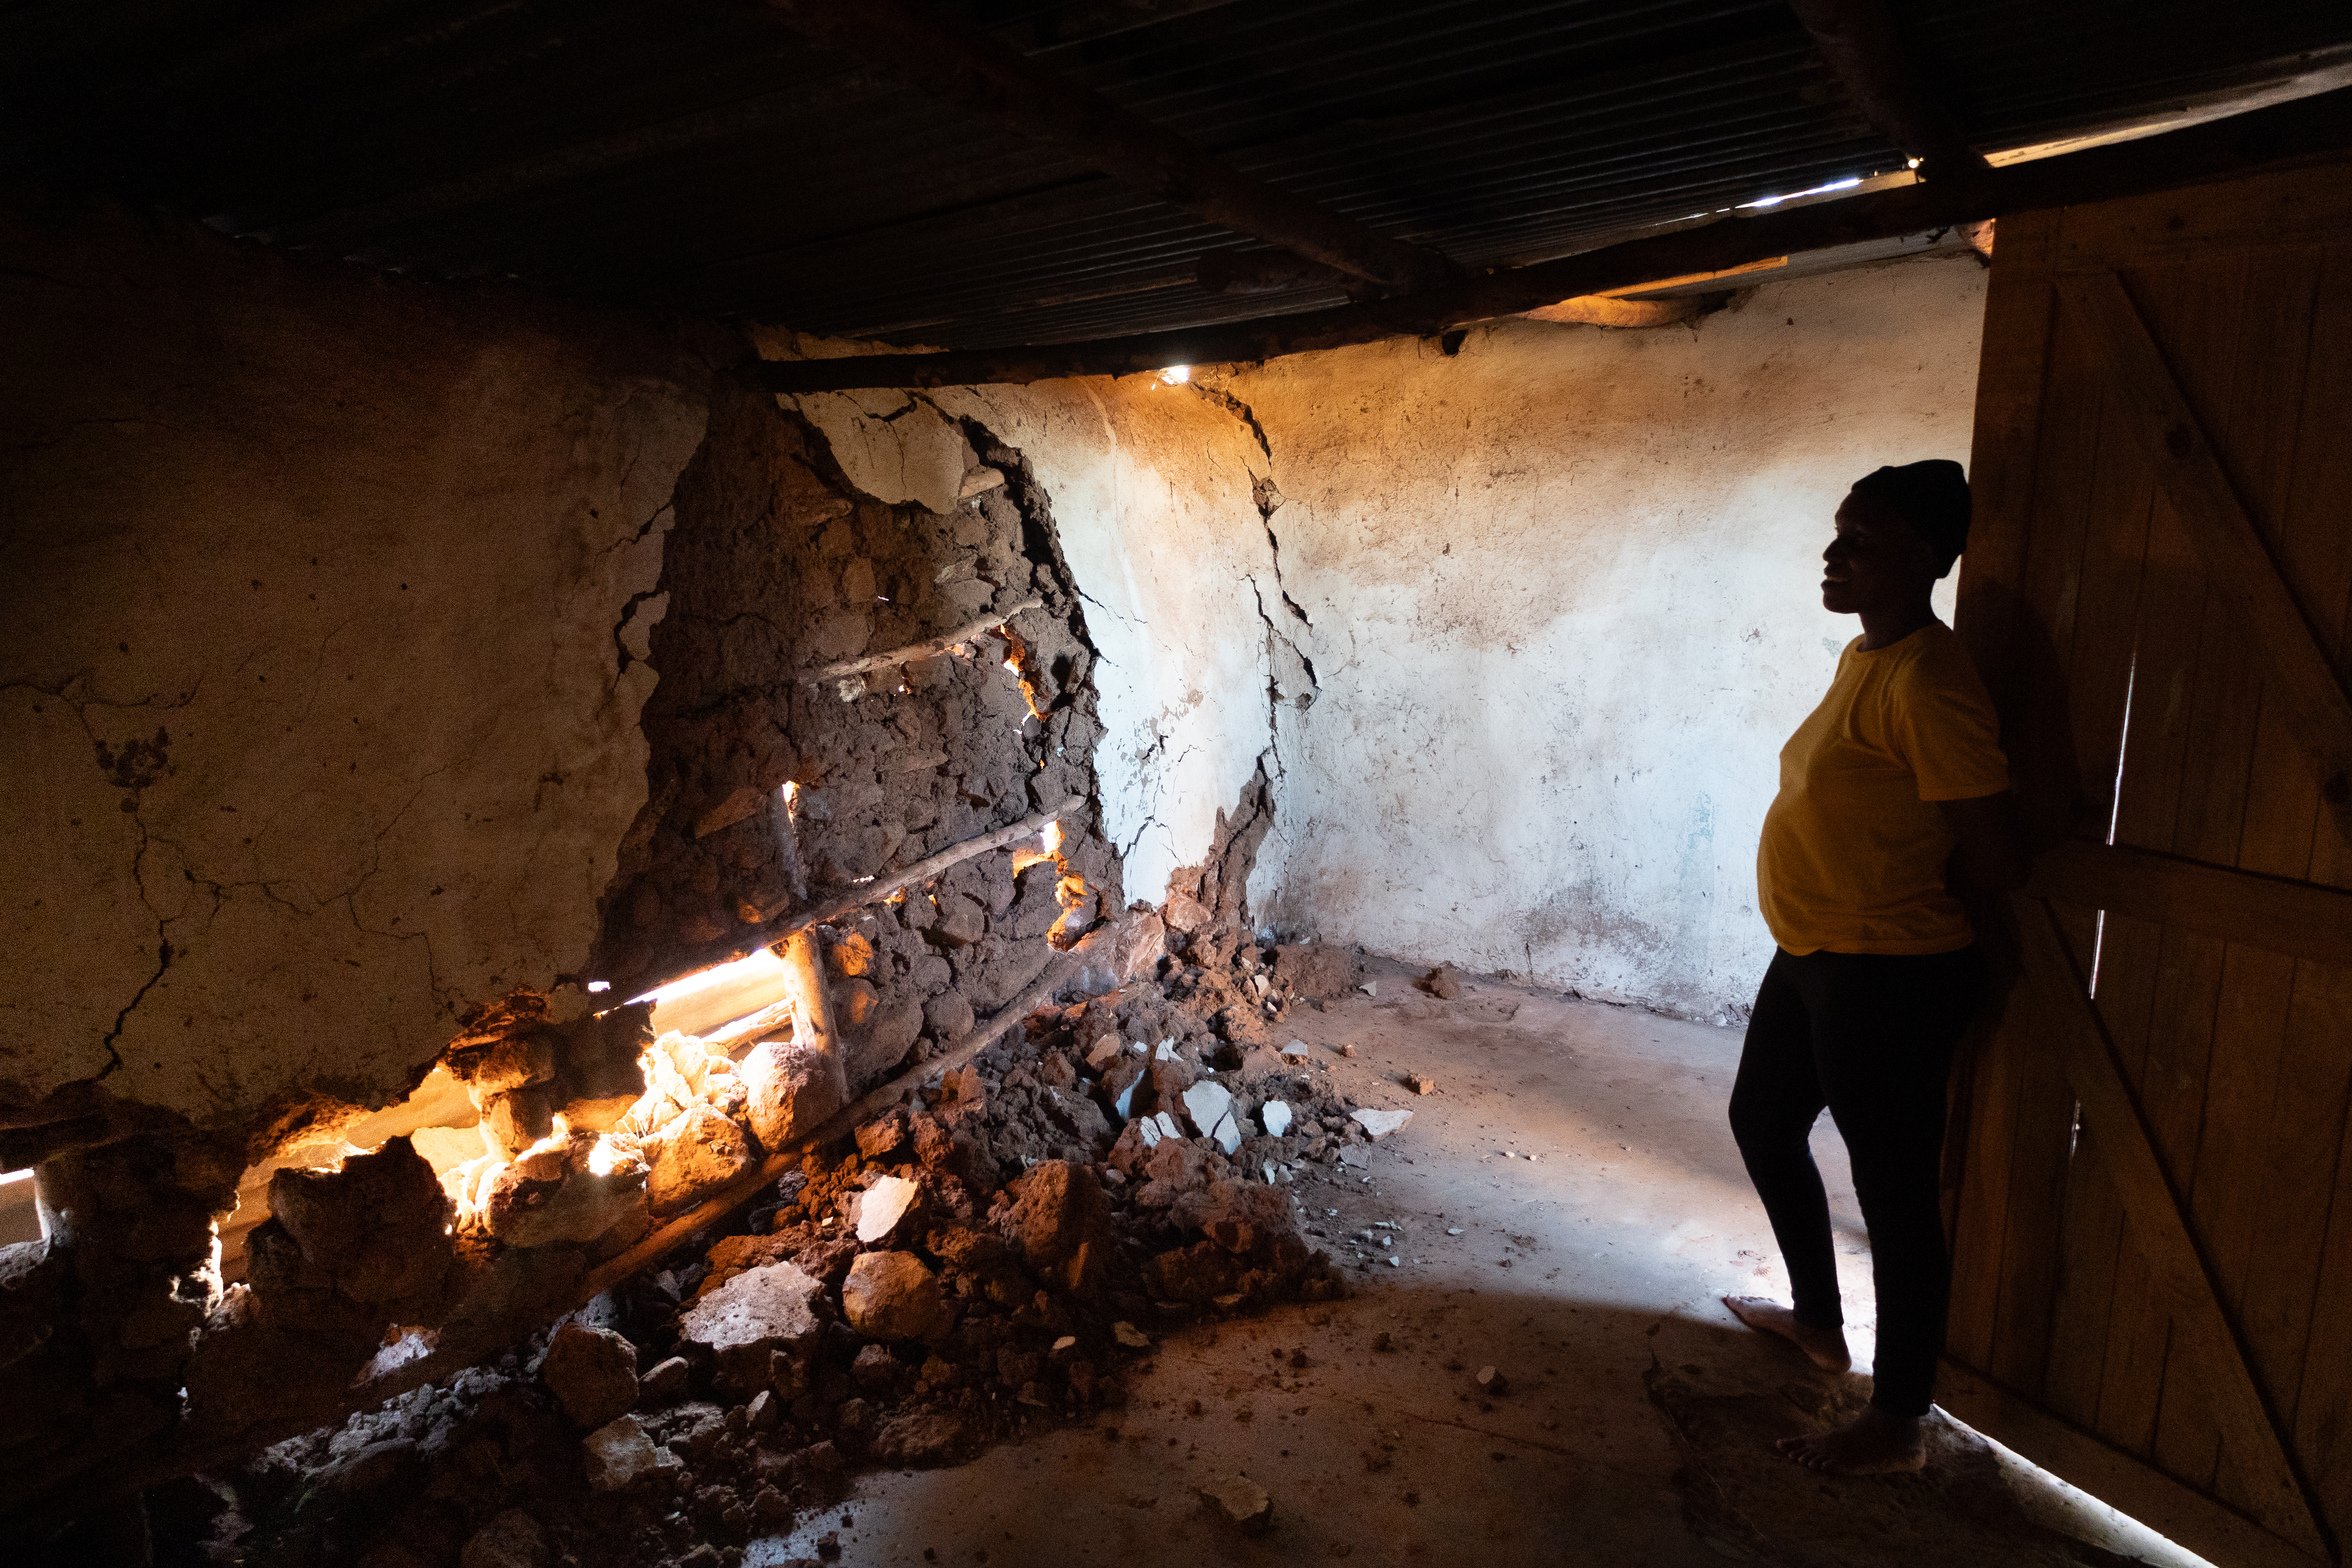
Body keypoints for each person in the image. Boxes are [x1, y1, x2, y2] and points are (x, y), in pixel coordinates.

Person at [1722, 459, 2028, 1474]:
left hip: (1884, 969)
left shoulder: (1933, 683)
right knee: (1762, 1120)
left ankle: (1899, 1422)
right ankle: (1818, 1321)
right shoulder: (1872, 657)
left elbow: (1988, 851)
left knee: (1895, 1195)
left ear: (1928, 559)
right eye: (1838, 532)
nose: (1834, 553)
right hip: (1816, 950)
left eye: (1862, 540)